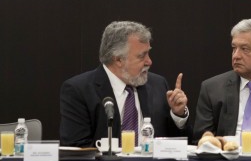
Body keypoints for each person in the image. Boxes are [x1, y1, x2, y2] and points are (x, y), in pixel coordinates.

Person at [60, 21, 192, 147]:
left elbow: (177, 144)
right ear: (118, 59)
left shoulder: (158, 84)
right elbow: (77, 148)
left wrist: (178, 114)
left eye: (148, 53)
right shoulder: (79, 90)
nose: (149, 62)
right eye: (142, 56)